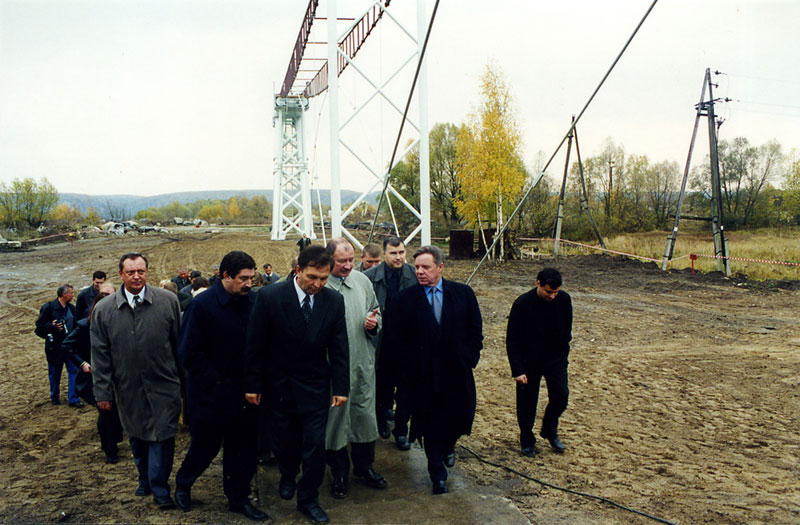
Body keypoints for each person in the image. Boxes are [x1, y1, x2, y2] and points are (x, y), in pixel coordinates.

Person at [245, 245, 349, 525]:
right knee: (284, 442)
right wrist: (253, 384)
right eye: (312, 277)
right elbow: (255, 344)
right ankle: (288, 474)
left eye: (324, 279)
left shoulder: (333, 301)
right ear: (298, 270)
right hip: (278, 385)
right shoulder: (269, 297)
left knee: (315, 444)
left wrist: (341, 387)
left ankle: (308, 498)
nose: (317, 284)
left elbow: (340, 348)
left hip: (315, 384)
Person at [173, 251, 268, 520]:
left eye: (252, 278)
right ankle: (184, 483)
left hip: (246, 395)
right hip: (210, 396)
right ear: (225, 276)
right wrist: (216, 381)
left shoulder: (254, 302)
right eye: (243, 279)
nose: (249, 283)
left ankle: (238, 498)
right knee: (205, 448)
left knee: (244, 451)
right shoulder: (201, 307)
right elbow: (188, 354)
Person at [382, 245, 483, 495]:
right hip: (422, 377)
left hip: (456, 374)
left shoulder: (463, 294)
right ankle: (437, 473)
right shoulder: (404, 301)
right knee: (428, 424)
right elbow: (394, 339)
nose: (419, 272)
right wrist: (406, 370)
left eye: (425, 267)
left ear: (440, 267)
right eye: (416, 267)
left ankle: (449, 446)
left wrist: (468, 357)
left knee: (458, 417)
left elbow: (475, 332)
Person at [91, 252, 182, 509]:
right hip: (127, 388)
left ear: (147, 272)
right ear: (120, 274)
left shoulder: (168, 301)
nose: (136, 276)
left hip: (164, 384)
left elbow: (179, 346)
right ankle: (145, 479)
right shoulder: (104, 310)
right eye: (130, 272)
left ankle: (160, 488)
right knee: (138, 436)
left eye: (141, 271)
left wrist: (185, 385)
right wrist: (103, 393)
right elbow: (100, 355)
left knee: (163, 437)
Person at [324, 239, 386, 500]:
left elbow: (375, 310)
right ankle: (339, 473)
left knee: (364, 416)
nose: (348, 266)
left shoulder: (362, 281)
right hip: (331, 368)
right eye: (342, 262)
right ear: (329, 261)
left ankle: (365, 467)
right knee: (335, 422)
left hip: (362, 362)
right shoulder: (320, 284)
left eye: (351, 260)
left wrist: (374, 322)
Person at [506, 267, 573, 456]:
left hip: (555, 360)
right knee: (527, 404)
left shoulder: (565, 300)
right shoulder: (522, 304)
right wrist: (517, 370)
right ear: (538, 284)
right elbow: (512, 339)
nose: (552, 296)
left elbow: (567, 331)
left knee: (561, 397)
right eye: (549, 292)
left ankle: (549, 430)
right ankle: (527, 439)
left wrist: (562, 356)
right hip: (529, 362)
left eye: (556, 292)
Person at [363, 236, 417, 446]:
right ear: (384, 254)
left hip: (407, 342)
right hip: (380, 341)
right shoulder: (368, 277)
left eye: (401, 252)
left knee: (406, 388)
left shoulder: (414, 275)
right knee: (380, 385)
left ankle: (401, 430)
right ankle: (381, 421)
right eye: (393, 253)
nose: (398, 257)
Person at [62, 283, 124, 463]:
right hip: (94, 377)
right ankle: (109, 449)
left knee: (116, 410)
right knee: (105, 411)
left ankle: (114, 441)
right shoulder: (84, 325)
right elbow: (67, 346)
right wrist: (82, 363)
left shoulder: (117, 324)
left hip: (116, 374)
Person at [35, 284, 82, 407]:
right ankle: (54, 397)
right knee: (55, 373)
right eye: (71, 293)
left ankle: (73, 398)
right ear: (64, 294)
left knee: (74, 371)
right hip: (54, 348)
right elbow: (39, 326)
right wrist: (51, 326)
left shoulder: (72, 309)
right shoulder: (49, 308)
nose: (73, 295)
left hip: (70, 347)